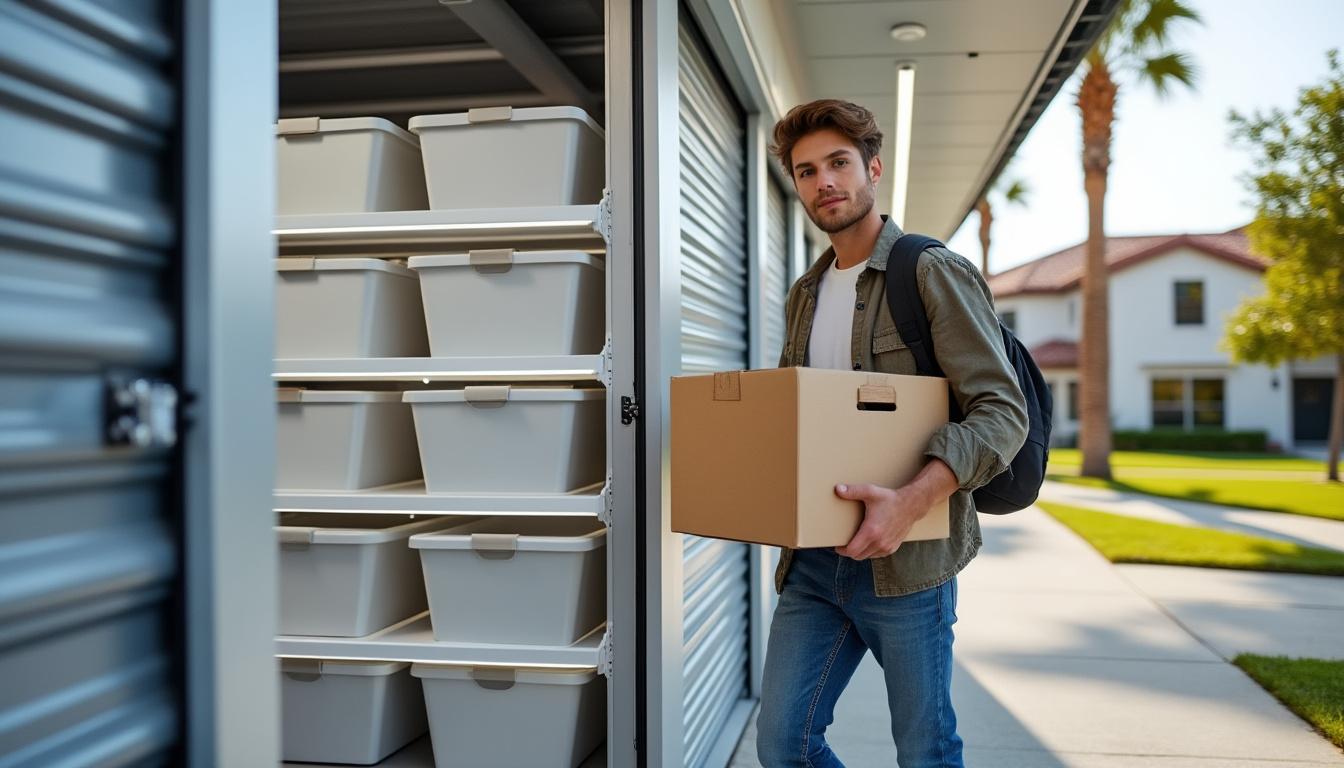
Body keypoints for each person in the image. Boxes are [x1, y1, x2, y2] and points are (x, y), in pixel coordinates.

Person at [755, 99, 1028, 768]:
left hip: (908, 568)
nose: (825, 182)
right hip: (816, 564)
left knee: (926, 752)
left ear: (873, 168)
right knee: (783, 744)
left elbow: (1001, 412)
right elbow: (803, 418)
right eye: (807, 170)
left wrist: (908, 502)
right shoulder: (805, 293)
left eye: (839, 163)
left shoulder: (929, 270)